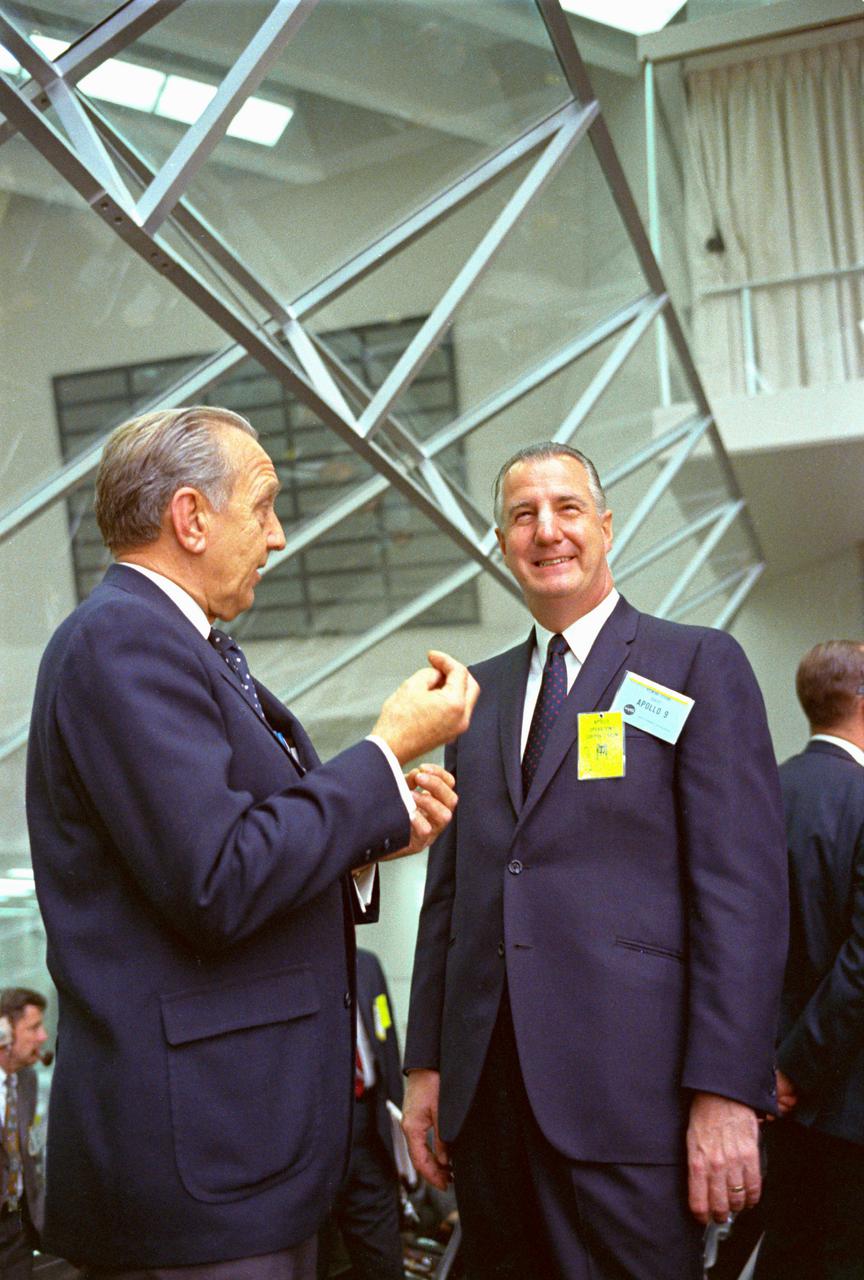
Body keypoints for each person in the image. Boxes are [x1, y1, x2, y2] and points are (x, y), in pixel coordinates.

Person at [25, 405, 478, 1279]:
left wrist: (367, 839)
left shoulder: (179, 647)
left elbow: (227, 847)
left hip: (240, 1150)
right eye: (263, 505)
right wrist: (386, 753)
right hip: (203, 1157)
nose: (276, 536)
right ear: (191, 517)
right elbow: (218, 880)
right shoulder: (123, 642)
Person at [402, 442, 788, 1279]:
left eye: (567, 509)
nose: (547, 532)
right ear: (502, 540)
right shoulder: (475, 694)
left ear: (606, 527)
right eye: (522, 515)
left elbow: (742, 896)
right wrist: (425, 1067)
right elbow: (449, 896)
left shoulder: (695, 666)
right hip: (491, 1104)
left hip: (633, 1105)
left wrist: (726, 1093)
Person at [753, 641, 864, 1280]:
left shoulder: (763, 793)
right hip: (845, 1097)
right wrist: (800, 1067)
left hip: (764, 1096)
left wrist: (773, 1070)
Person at [317, 948, 406, 1280]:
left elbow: (387, 1040)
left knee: (384, 1266)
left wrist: (399, 1128)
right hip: (315, 1141)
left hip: (371, 1135)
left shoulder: (366, 965)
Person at [0, 987, 48, 1280]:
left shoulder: (28, 1079)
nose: (42, 1037)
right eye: (33, 1028)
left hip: (19, 1228)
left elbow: (33, 1149)